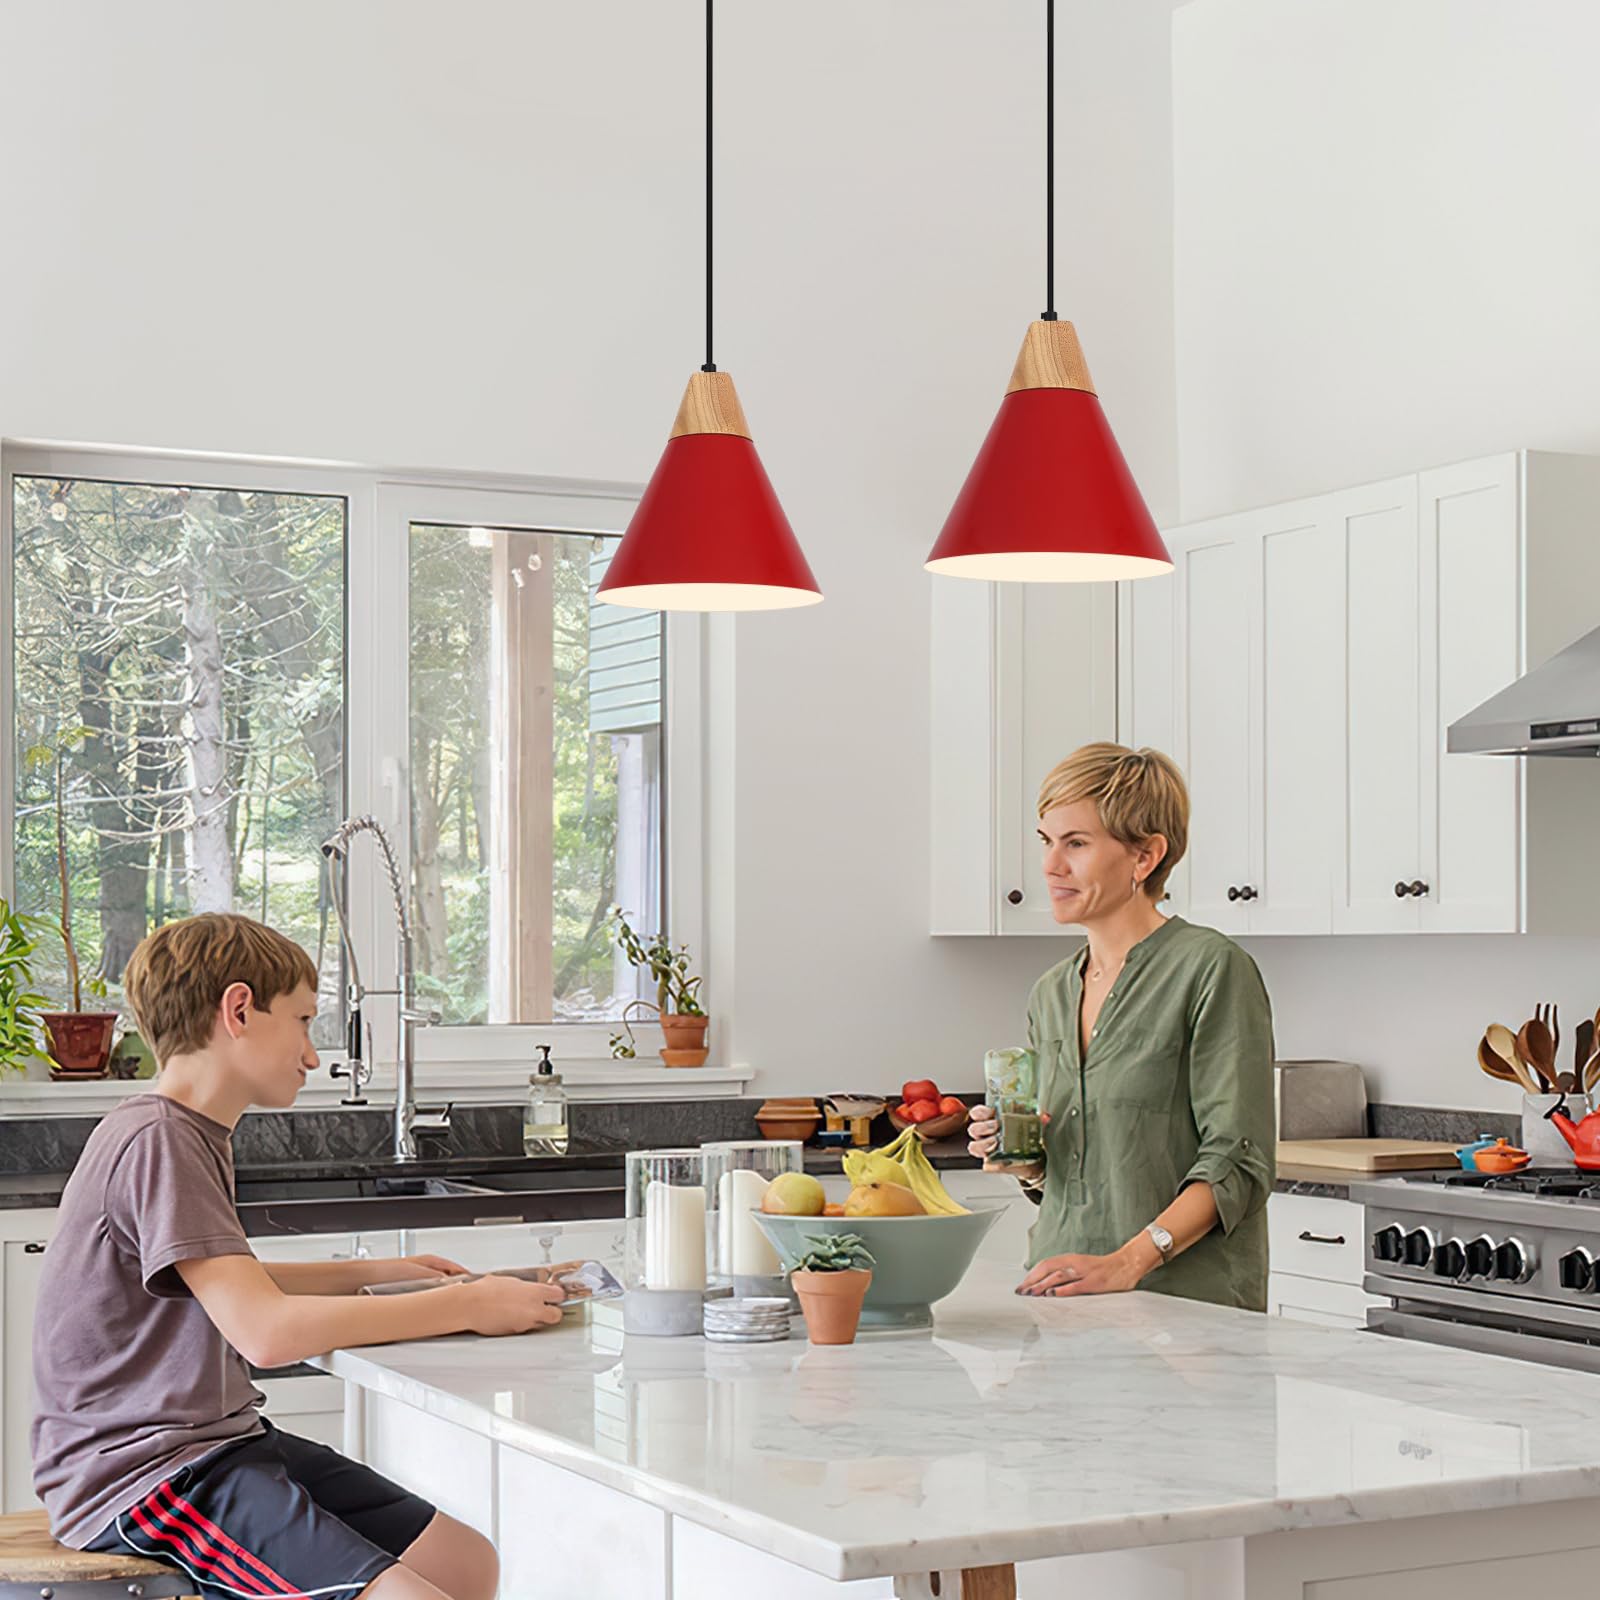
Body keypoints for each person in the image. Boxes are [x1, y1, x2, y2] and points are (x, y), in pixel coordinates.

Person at [31, 912, 564, 1600]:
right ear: (239, 1011)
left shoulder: (185, 1130)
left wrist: (380, 1274)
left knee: (464, 1563)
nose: (312, 1056)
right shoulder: (160, 1140)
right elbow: (265, 1332)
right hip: (147, 1478)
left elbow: (221, 1284)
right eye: (304, 1021)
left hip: (218, 1444)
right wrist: (467, 1305)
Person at [968, 744, 1275, 1311]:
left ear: (1145, 856)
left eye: (1076, 843)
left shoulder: (1210, 969)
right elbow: (1081, 1173)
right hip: (1062, 1298)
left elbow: (1238, 1161)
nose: (1050, 865)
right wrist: (1025, 1158)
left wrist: (1127, 1262)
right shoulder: (1051, 993)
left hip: (1187, 1311)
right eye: (1046, 841)